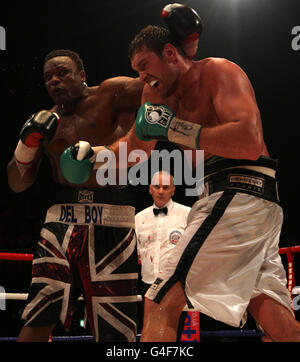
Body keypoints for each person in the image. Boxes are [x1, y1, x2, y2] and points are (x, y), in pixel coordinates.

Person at [61, 3, 300, 342]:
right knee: (273, 316)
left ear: (170, 53)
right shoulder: (155, 96)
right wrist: (93, 156)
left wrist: (176, 129)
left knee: (160, 298)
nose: (142, 76)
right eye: (136, 70)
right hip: (237, 200)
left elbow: (248, 141)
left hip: (238, 192)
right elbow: (135, 148)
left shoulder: (218, 72)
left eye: (145, 65)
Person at [6, 49, 144, 342]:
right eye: (48, 77)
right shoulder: (45, 121)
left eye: (62, 73)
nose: (54, 80)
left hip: (112, 219)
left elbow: (161, 86)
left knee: (115, 329)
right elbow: (17, 184)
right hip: (60, 221)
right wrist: (27, 144)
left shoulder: (112, 94)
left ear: (82, 75)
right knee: (38, 314)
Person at [135, 170, 191, 341]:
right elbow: (136, 252)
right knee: (148, 333)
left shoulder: (188, 214)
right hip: (148, 285)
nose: (161, 191)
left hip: (176, 285)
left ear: (173, 190)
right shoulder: (139, 218)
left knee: (174, 334)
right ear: (150, 189)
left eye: (166, 187)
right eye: (157, 187)